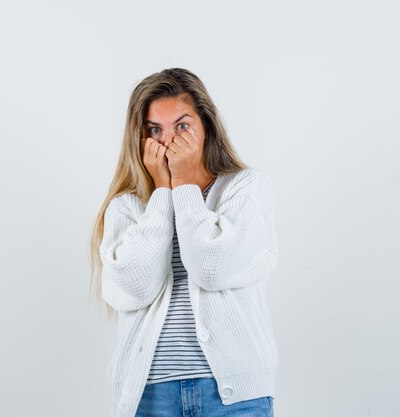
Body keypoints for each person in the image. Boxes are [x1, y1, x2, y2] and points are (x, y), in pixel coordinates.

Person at [88, 68, 279, 417]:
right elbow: (135, 288)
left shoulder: (245, 190)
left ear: (206, 126)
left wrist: (186, 185)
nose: (169, 141)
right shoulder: (127, 208)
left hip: (234, 399)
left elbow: (212, 268)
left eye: (182, 126)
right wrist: (163, 193)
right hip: (149, 397)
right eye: (155, 130)